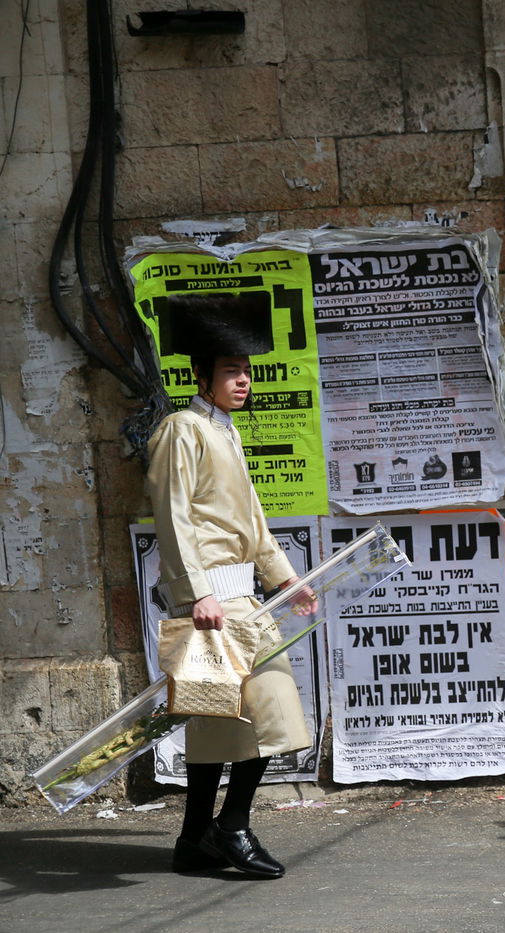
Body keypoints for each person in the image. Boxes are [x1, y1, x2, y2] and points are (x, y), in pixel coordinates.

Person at [147, 291, 314, 879]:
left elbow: (253, 523)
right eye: (229, 370)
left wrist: (286, 579)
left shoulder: (226, 431)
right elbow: (173, 516)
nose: (242, 380)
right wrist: (196, 594)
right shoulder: (182, 429)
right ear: (202, 377)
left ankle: (195, 839)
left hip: (242, 598)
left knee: (229, 723)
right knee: (250, 717)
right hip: (211, 603)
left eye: (245, 369)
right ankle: (231, 826)